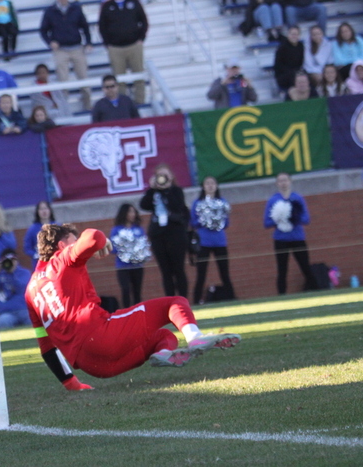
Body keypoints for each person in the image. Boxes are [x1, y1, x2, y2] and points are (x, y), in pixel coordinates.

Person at [25, 223, 241, 390]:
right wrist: (103, 241)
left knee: (163, 336)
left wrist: (71, 383)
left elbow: (46, 348)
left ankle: (164, 353)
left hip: (94, 367)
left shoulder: (30, 291)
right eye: (74, 240)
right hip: (100, 336)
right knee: (175, 303)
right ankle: (195, 338)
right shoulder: (61, 259)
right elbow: (93, 237)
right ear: (62, 246)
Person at [139, 163, 190, 299]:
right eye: (159, 175)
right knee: (165, 271)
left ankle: (182, 300)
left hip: (176, 234)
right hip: (158, 235)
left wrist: (167, 189)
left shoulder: (176, 191)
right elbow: (144, 205)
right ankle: (170, 301)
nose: (162, 178)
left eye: (165, 175)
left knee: (178, 269)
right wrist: (152, 189)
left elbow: (177, 206)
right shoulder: (154, 192)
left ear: (171, 176)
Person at [39, 0, 93, 112]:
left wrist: (88, 42)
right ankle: (64, 110)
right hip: (60, 50)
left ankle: (88, 106)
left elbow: (85, 26)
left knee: (84, 79)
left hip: (76, 47)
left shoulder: (76, 8)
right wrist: (50, 42)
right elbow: (43, 30)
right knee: (63, 81)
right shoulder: (50, 11)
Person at [264, 172, 318, 294]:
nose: (283, 183)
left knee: (305, 266)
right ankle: (282, 295)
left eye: (285, 180)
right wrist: (278, 218)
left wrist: (294, 217)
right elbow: (266, 223)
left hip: (298, 238)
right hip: (280, 240)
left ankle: (316, 291)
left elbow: (306, 219)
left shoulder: (298, 198)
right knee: (282, 270)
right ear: (277, 184)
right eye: (280, 181)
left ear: (290, 181)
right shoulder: (273, 200)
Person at [98, 0, 148, 104]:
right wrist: (108, 44)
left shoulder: (134, 2)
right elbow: (102, 27)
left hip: (134, 46)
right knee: (119, 79)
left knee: (139, 75)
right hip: (115, 48)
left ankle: (140, 102)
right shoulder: (107, 6)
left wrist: (141, 39)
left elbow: (144, 21)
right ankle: (122, 105)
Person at [191, 177, 234, 305]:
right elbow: (193, 222)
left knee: (224, 272)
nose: (210, 186)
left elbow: (226, 222)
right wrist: (205, 221)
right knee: (201, 274)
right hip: (203, 242)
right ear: (203, 187)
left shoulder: (222, 202)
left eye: (213, 183)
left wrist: (216, 222)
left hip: (220, 241)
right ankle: (196, 301)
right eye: (207, 183)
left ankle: (231, 298)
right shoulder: (197, 203)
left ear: (216, 186)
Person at [109, 203, 149, 309]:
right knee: (125, 289)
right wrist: (123, 249)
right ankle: (127, 311)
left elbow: (144, 244)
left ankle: (138, 312)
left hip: (137, 266)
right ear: (124, 213)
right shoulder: (117, 229)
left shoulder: (138, 229)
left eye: (134, 212)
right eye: (130, 212)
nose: (132, 214)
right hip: (122, 266)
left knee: (137, 291)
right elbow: (112, 248)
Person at [0, 249, 32, 329]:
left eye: (12, 260)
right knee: (2, 321)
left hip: (24, 310)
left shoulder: (25, 273)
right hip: (6, 312)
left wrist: (13, 272)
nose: (9, 263)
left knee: (33, 320)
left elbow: (22, 289)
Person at [23, 201, 56, 268]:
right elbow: (27, 248)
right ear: (37, 212)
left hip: (55, 262)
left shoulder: (57, 226)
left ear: (50, 210)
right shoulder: (32, 229)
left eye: (46, 208)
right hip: (40, 264)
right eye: (41, 209)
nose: (44, 211)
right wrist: (36, 255)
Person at [274, 25, 304, 93]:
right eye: (292, 34)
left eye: (296, 34)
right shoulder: (282, 47)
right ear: (288, 35)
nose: (294, 36)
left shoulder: (301, 46)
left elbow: (301, 62)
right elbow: (278, 66)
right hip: (282, 75)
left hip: (296, 73)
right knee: (295, 77)